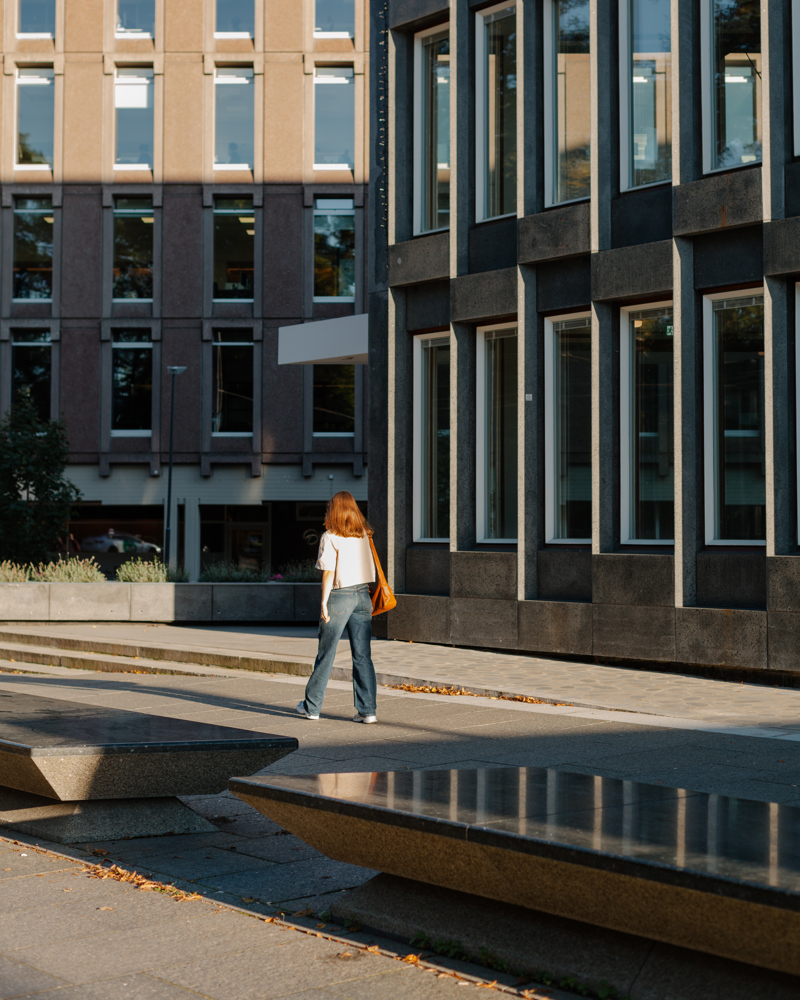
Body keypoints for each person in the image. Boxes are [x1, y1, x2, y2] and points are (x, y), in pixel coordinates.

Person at [296, 491, 378, 724]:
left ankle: (312, 707)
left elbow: (329, 571)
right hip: (363, 596)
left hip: (339, 596)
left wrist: (323, 602)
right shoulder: (363, 534)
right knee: (362, 656)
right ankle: (368, 710)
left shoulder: (330, 536)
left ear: (335, 510)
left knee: (326, 653)